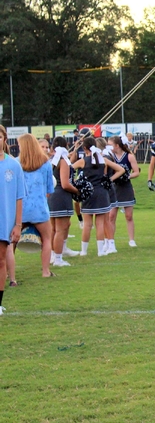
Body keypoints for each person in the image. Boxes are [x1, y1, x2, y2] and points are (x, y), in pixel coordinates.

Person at [72, 137, 125, 256]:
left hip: (88, 193)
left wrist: (76, 183)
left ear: (84, 148)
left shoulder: (83, 161)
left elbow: (69, 169)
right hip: (102, 193)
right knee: (100, 224)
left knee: (87, 224)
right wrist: (109, 180)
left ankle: (84, 251)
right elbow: (121, 170)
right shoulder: (103, 160)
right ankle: (100, 251)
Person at [16, 133, 55, 278]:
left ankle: (7, 272)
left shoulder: (15, 163)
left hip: (20, 209)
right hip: (39, 208)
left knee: (11, 242)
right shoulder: (45, 163)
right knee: (46, 239)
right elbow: (49, 189)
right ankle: (45, 271)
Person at [0, 125, 24, 315]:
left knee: (1, 261)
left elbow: (19, 197)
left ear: (4, 140)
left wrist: (18, 224)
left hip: (4, 222)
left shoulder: (14, 165)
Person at [48, 136, 80, 268]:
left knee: (53, 229)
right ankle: (58, 259)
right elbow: (65, 184)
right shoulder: (63, 162)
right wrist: (77, 191)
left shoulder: (51, 161)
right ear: (66, 146)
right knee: (60, 230)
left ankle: (52, 255)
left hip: (51, 196)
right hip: (61, 196)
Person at [109, 135, 140, 247]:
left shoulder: (129, 156)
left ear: (117, 145)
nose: (108, 147)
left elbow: (136, 172)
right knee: (111, 216)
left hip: (126, 187)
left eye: (110, 145)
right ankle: (110, 241)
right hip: (113, 188)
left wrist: (127, 176)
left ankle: (131, 240)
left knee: (129, 215)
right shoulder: (110, 156)